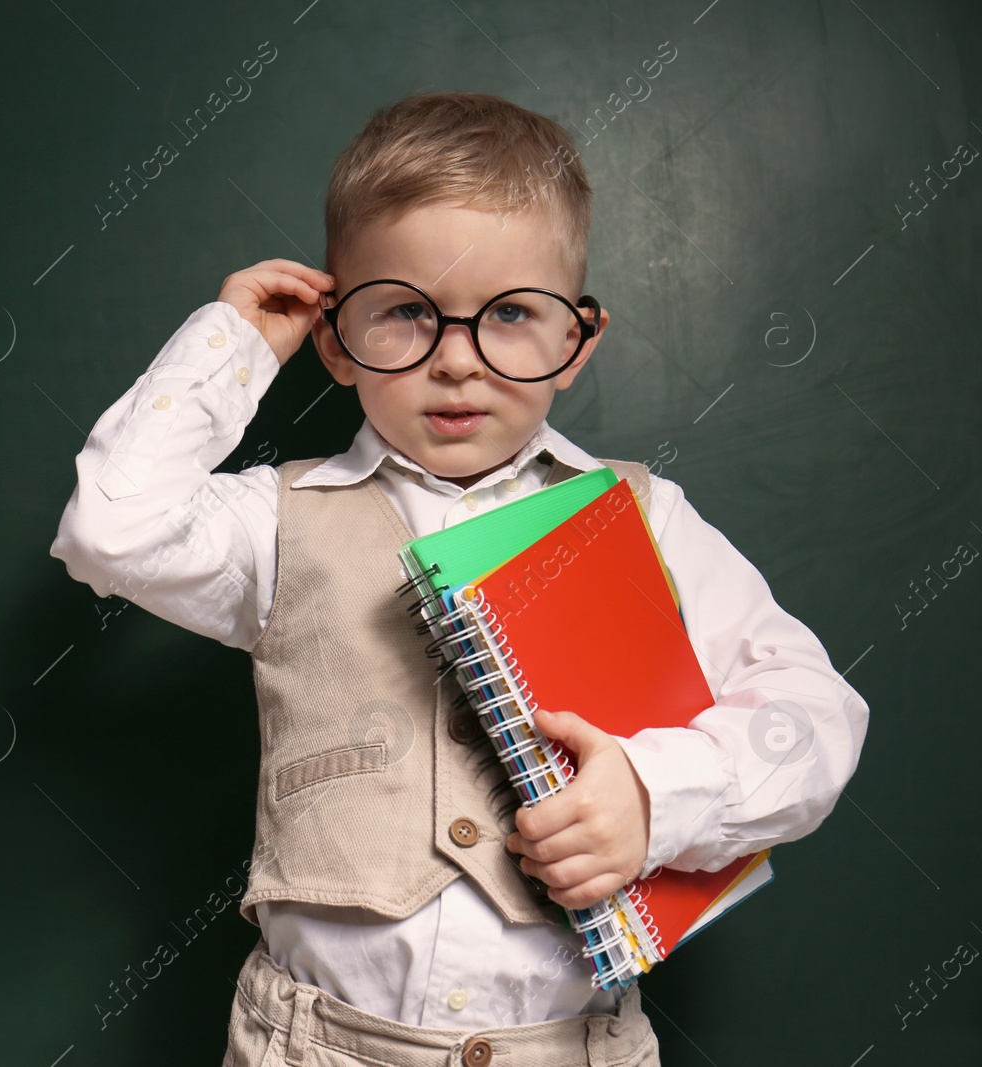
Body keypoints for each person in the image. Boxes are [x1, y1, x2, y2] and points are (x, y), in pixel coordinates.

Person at [49, 92, 868, 1067]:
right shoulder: (277, 519)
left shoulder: (642, 517)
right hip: (315, 1045)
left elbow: (815, 716)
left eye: (511, 314)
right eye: (404, 312)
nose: (455, 363)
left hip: (570, 1045)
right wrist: (230, 344)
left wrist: (656, 796)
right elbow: (110, 529)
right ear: (335, 338)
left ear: (578, 340)